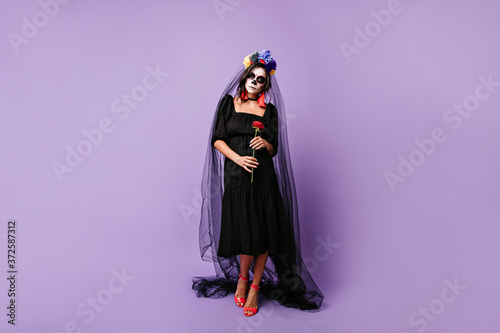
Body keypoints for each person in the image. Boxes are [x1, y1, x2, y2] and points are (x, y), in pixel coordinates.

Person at [192, 49, 324, 317]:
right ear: (244, 78)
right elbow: (217, 139)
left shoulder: (269, 111)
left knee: (263, 234)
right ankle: (242, 279)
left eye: (261, 79)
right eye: (251, 76)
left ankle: (253, 287)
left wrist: (265, 143)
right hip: (237, 179)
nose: (254, 81)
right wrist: (239, 159)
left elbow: (274, 149)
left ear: (266, 84)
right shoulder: (228, 104)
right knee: (245, 234)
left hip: (263, 181)